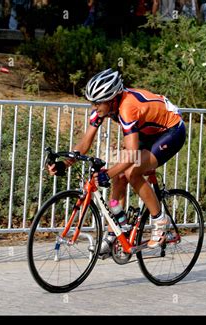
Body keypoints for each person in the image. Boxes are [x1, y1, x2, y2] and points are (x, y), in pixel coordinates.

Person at [47, 68, 186, 254]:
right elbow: (86, 141)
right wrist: (65, 162)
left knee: (131, 171)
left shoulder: (128, 108)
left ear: (112, 99)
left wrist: (106, 173)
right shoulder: (103, 109)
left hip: (171, 131)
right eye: (92, 103)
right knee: (119, 175)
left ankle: (160, 222)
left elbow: (131, 154)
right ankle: (116, 231)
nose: (94, 107)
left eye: (97, 103)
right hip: (147, 131)